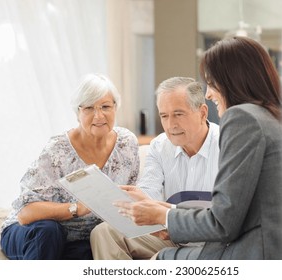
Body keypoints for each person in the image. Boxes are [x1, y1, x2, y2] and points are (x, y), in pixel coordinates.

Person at [114, 37, 282, 259]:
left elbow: (223, 223)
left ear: (232, 79)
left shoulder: (243, 119)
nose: (208, 93)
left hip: (254, 254)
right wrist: (167, 211)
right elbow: (238, 211)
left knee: (161, 258)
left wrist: (164, 216)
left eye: (211, 83)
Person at [0, 73, 139, 260]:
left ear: (115, 108)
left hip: (79, 238)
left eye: (105, 106)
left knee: (90, 250)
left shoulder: (127, 144)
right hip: (30, 230)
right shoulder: (57, 150)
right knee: (48, 232)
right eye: (89, 108)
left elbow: (130, 197)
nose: (99, 115)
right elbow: (26, 213)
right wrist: (77, 208)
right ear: (78, 113)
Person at [90, 77, 219, 259]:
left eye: (178, 114)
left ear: (203, 112)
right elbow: (149, 191)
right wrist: (135, 200)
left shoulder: (227, 145)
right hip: (172, 235)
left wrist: (163, 212)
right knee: (104, 232)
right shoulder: (159, 146)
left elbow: (226, 216)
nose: (170, 125)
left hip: (214, 242)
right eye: (164, 116)